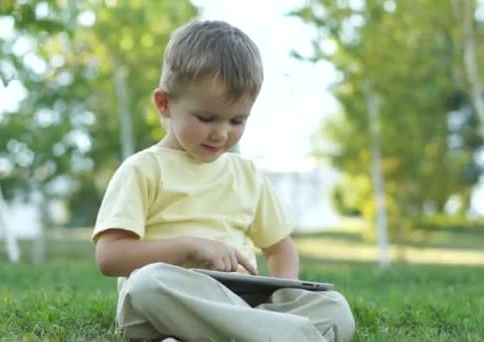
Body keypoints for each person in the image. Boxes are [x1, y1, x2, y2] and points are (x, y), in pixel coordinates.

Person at [92, 19, 355, 342]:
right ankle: (286, 336)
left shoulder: (247, 175)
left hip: (241, 301)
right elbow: (109, 257)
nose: (221, 133)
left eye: (237, 120)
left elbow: (281, 250)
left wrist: (280, 292)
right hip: (172, 299)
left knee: (334, 307)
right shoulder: (142, 169)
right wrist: (190, 248)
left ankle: (241, 333)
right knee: (147, 283)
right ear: (164, 104)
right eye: (206, 118)